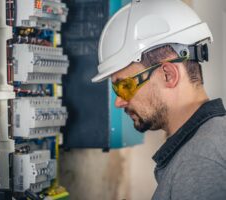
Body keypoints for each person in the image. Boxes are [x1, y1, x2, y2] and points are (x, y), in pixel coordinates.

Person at [92, 0, 226, 199]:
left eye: (125, 86)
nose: (118, 102)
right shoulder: (208, 141)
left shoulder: (199, 161)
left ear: (168, 75)